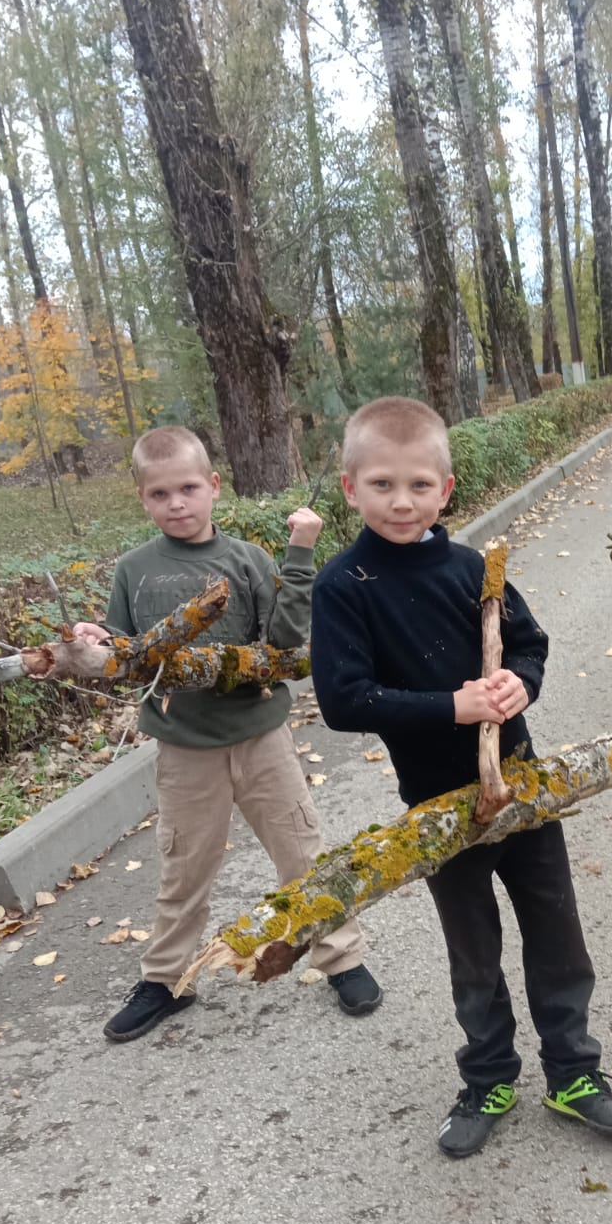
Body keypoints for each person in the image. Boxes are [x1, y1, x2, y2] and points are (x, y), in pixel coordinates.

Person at [311, 399, 612, 1159]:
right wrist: (453, 706)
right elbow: (343, 699)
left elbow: (528, 643)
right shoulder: (343, 584)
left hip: (522, 787)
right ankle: (488, 1074)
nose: (403, 502)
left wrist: (521, 682)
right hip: (438, 806)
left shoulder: (471, 568)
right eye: (384, 485)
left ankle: (573, 1070)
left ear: (447, 489)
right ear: (349, 487)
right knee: (473, 948)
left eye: (420, 485)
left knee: (557, 931)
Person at [74, 425, 382, 1042]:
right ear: (143, 499)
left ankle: (341, 956)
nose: (177, 503)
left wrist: (300, 554)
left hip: (261, 738)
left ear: (214, 486)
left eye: (188, 488)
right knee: (182, 867)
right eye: (160, 494)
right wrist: (94, 644)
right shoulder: (133, 570)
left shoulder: (246, 559)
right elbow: (126, 653)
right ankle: (165, 980)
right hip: (184, 749)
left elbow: (285, 641)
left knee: (302, 851)